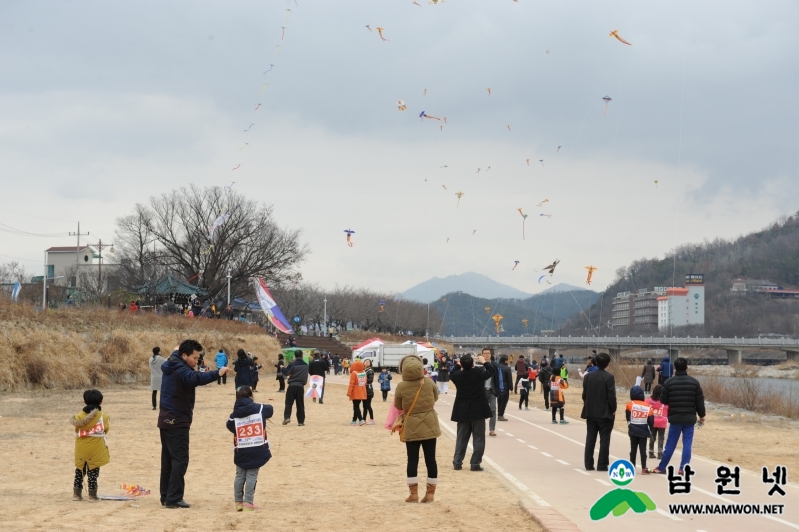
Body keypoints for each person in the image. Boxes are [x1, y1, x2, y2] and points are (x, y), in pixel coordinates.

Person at [158, 339, 228, 508]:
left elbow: (177, 351)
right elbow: (195, 378)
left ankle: (166, 496)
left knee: (168, 460)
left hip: (166, 419)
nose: (197, 362)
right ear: (184, 355)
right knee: (180, 460)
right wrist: (217, 373)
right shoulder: (181, 369)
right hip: (177, 421)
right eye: (195, 358)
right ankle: (173, 498)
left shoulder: (172, 362)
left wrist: (178, 347)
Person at [394, 355, 440, 503]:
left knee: (412, 459)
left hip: (411, 424)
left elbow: (399, 406)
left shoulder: (401, 386)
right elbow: (435, 398)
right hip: (430, 423)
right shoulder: (428, 382)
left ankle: (413, 493)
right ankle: (430, 493)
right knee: (431, 460)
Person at [652, 357, 705, 475]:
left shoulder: (669, 382)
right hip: (690, 417)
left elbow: (664, 401)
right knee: (687, 443)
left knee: (671, 443)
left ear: (674, 368)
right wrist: (702, 416)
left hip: (675, 417)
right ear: (687, 367)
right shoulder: (694, 382)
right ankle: (683, 468)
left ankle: (662, 467)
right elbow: (699, 402)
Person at [226, 386, 273, 511]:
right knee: (252, 475)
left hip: (241, 448)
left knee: (239, 475)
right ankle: (248, 502)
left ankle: (238, 503)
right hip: (257, 448)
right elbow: (270, 409)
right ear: (251, 396)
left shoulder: (234, 415)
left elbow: (230, 426)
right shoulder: (260, 408)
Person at [450, 353, 496, 472]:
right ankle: (475, 463)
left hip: (462, 409)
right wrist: (484, 362)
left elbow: (451, 374)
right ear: (472, 364)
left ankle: (457, 462)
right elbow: (491, 371)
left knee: (461, 437)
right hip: (478, 408)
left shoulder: (457, 375)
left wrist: (458, 365)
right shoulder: (478, 373)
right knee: (479, 438)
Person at [71, 389, 110, 501]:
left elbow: (76, 429)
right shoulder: (104, 416)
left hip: (81, 448)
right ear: (101, 401)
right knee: (93, 472)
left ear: (84, 401)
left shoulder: (78, 417)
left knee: (80, 470)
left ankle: (76, 494)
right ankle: (92, 495)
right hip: (96, 448)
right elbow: (106, 429)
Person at [581, 352, 616, 472]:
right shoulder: (609, 377)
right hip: (605, 413)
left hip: (591, 412)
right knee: (604, 439)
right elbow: (611, 396)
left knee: (590, 438)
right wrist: (613, 409)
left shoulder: (588, 377)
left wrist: (588, 404)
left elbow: (584, 395)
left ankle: (588, 464)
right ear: (608, 364)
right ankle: (602, 465)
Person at [625, 385, 654, 474]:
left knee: (633, 450)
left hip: (633, 430)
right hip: (644, 430)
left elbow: (628, 417)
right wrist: (651, 430)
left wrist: (630, 425)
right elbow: (651, 421)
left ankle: (631, 467)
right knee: (643, 450)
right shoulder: (648, 406)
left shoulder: (630, 404)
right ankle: (644, 468)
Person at [281, 350, 309, 426]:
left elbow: (286, 373)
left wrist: (282, 368)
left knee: (289, 403)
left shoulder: (292, 364)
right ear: (302, 355)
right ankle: (301, 422)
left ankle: (287, 417)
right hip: (300, 387)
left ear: (295, 356)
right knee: (300, 404)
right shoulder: (306, 365)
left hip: (292, 386)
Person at [646, 384, 668, 459]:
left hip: (652, 421)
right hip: (662, 422)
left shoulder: (648, 401)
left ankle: (651, 451)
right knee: (661, 437)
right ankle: (660, 453)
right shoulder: (665, 402)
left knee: (652, 437)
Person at [481, 348, 499, 436]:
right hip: (482, 391)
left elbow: (498, 379)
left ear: (491, 354)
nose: (487, 355)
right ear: (482, 355)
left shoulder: (495, 365)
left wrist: (499, 390)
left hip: (492, 390)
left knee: (493, 409)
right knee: (481, 411)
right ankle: (481, 429)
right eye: (485, 353)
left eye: (488, 353)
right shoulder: (479, 365)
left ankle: (492, 429)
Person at [346, 359, 367, 425]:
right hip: (362, 390)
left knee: (355, 406)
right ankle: (354, 420)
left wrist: (349, 392)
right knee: (357, 405)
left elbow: (351, 383)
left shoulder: (354, 373)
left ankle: (361, 419)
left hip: (356, 391)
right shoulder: (364, 372)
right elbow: (366, 382)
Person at [496, 354, 513, 421]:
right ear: (505, 361)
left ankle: (499, 414)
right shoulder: (507, 368)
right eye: (508, 359)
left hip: (498, 387)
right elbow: (509, 379)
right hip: (505, 387)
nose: (509, 361)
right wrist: (511, 388)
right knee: (504, 401)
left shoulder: (497, 367)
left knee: (499, 401)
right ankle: (500, 415)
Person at [362, 359, 375, 424]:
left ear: (370, 364)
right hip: (363, 389)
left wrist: (363, 381)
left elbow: (370, 380)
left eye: (368, 362)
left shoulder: (370, 371)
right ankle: (364, 419)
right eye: (365, 361)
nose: (366, 363)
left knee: (368, 405)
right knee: (364, 405)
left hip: (368, 390)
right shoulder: (363, 370)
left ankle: (371, 419)